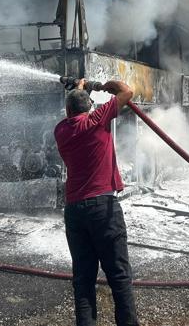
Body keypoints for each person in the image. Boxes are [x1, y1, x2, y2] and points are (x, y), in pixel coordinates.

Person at [54, 79, 139, 326]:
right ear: (90, 107)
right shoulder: (97, 120)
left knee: (83, 281)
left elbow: (75, 111)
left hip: (74, 211)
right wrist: (103, 86)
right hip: (103, 208)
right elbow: (127, 91)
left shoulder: (61, 130)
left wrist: (82, 89)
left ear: (68, 110)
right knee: (119, 277)